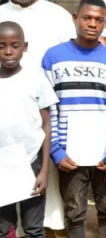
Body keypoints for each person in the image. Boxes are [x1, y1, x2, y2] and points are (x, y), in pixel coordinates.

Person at [42, 0, 106, 238]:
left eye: (98, 20)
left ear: (105, 24)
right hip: (69, 154)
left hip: (104, 153)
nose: (92, 24)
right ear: (75, 18)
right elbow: (47, 109)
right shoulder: (53, 58)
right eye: (87, 18)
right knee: (74, 211)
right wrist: (56, 150)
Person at [0, 0, 74, 235]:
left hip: (44, 114)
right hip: (7, 122)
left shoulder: (58, 16)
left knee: (46, 184)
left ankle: (50, 229)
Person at [0, 21, 56, 238]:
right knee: (4, 229)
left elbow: (46, 126)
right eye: (2, 45)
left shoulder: (36, 79)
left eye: (14, 45)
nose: (8, 52)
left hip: (31, 162)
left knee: (33, 228)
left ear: (25, 46)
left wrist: (43, 170)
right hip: (2, 164)